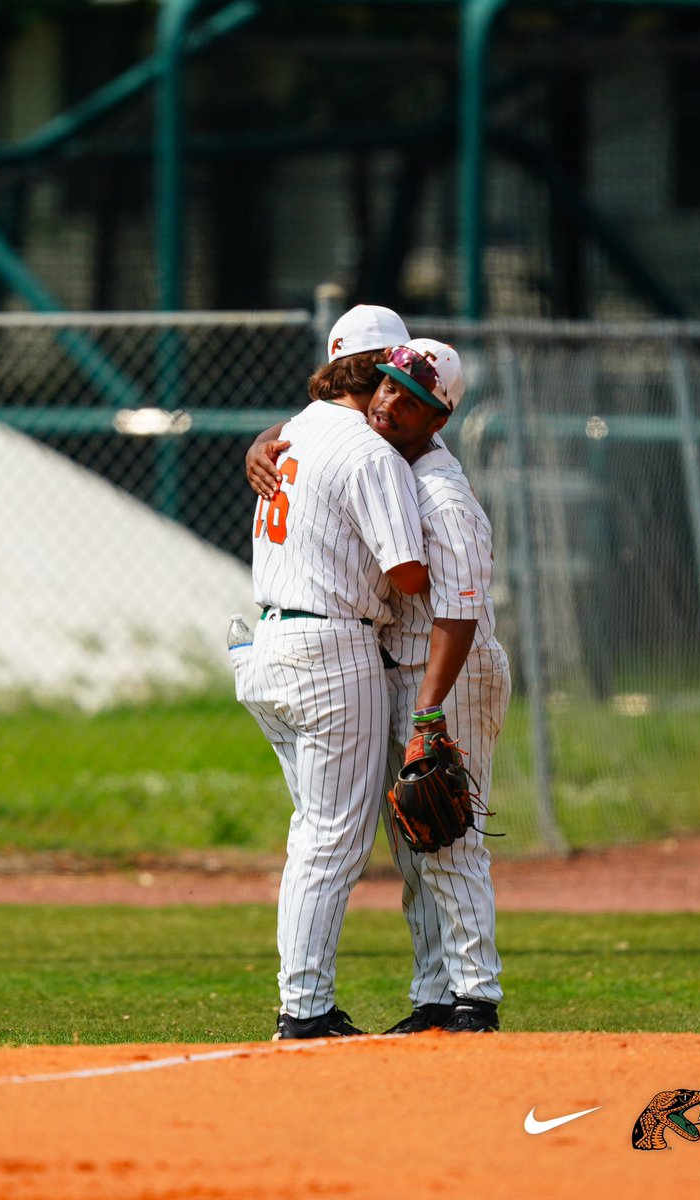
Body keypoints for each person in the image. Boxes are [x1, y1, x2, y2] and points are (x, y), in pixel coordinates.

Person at [248, 328, 510, 1035]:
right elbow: (325, 426)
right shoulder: (383, 454)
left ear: (439, 417)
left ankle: (474, 998)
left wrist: (429, 718)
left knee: (448, 835)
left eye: (414, 396)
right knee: (414, 838)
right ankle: (435, 996)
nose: (393, 403)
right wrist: (267, 438)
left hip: (449, 670)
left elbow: (457, 613)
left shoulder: (441, 496)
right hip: (401, 668)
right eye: (388, 385)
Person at [236, 304, 429, 1041]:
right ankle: (305, 1010)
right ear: (382, 367)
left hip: (268, 645)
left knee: (316, 832)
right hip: (331, 650)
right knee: (332, 838)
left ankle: (304, 1003)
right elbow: (407, 573)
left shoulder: (293, 431)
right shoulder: (368, 450)